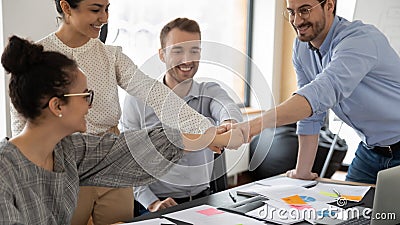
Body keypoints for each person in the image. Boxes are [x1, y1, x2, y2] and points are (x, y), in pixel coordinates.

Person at [9, 0, 234, 224]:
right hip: (66, 163)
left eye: (107, 9)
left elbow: (154, 92)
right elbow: (23, 126)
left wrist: (203, 129)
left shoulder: (110, 55)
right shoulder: (40, 59)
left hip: (113, 161)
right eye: (95, 10)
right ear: (67, 8)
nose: (105, 18)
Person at [233, 0, 400, 185]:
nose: (296, 21)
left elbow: (319, 93)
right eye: (291, 12)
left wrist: (254, 125)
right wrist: (301, 172)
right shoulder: (302, 48)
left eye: (304, 10)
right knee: (347, 209)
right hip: (370, 151)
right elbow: (311, 114)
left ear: (329, 6)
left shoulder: (361, 40)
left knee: (390, 212)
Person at [121, 18, 243, 214]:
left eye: (194, 51)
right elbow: (129, 160)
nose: (187, 60)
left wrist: (230, 123)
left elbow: (227, 107)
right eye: (178, 51)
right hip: (155, 205)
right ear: (162, 55)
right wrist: (152, 203)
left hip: (205, 200)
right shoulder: (137, 100)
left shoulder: (209, 91)